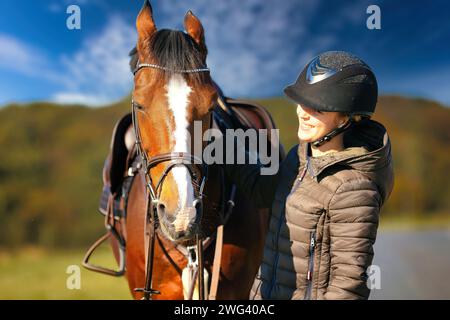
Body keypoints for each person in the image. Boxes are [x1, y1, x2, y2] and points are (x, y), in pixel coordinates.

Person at [224, 51, 394, 299]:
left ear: (344, 118)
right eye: (303, 102)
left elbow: (348, 286)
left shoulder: (356, 188)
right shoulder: (298, 157)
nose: (303, 113)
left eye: (318, 109)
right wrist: (224, 148)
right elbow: (263, 193)